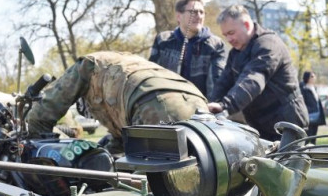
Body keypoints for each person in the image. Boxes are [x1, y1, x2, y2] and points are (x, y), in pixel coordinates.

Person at [26, 51, 206, 153]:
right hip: (198, 103)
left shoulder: (88, 65)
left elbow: (44, 111)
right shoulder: (123, 64)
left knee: (149, 194)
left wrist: (31, 144)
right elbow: (121, 140)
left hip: (153, 107)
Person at [207, 5, 308, 141]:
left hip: (287, 124)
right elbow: (223, 83)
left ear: (247, 25)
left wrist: (225, 105)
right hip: (261, 126)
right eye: (225, 35)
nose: (228, 39)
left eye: (231, 33)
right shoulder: (235, 53)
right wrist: (209, 107)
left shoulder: (268, 44)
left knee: (290, 162)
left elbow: (253, 78)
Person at [148, 0, 226, 100]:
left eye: (202, 12)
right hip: (167, 105)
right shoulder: (163, 41)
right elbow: (152, 77)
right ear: (179, 16)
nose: (198, 15)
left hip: (201, 108)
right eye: (193, 12)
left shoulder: (216, 44)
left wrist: (209, 111)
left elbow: (216, 84)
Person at [300, 70, 325, 137]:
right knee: (308, 135)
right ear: (307, 77)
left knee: (314, 134)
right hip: (309, 115)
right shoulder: (303, 88)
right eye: (312, 76)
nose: (314, 77)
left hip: (316, 114)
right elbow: (302, 102)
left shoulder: (314, 88)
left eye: (314, 76)